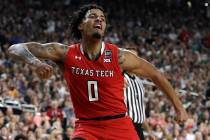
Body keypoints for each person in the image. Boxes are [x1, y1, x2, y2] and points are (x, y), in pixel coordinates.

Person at [8, 4, 188, 140]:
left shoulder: (119, 56)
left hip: (119, 125)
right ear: (81, 25)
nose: (99, 20)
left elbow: (155, 74)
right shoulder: (64, 53)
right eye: (93, 16)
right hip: (87, 127)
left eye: (102, 18)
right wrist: (35, 62)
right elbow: (15, 49)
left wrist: (179, 107)